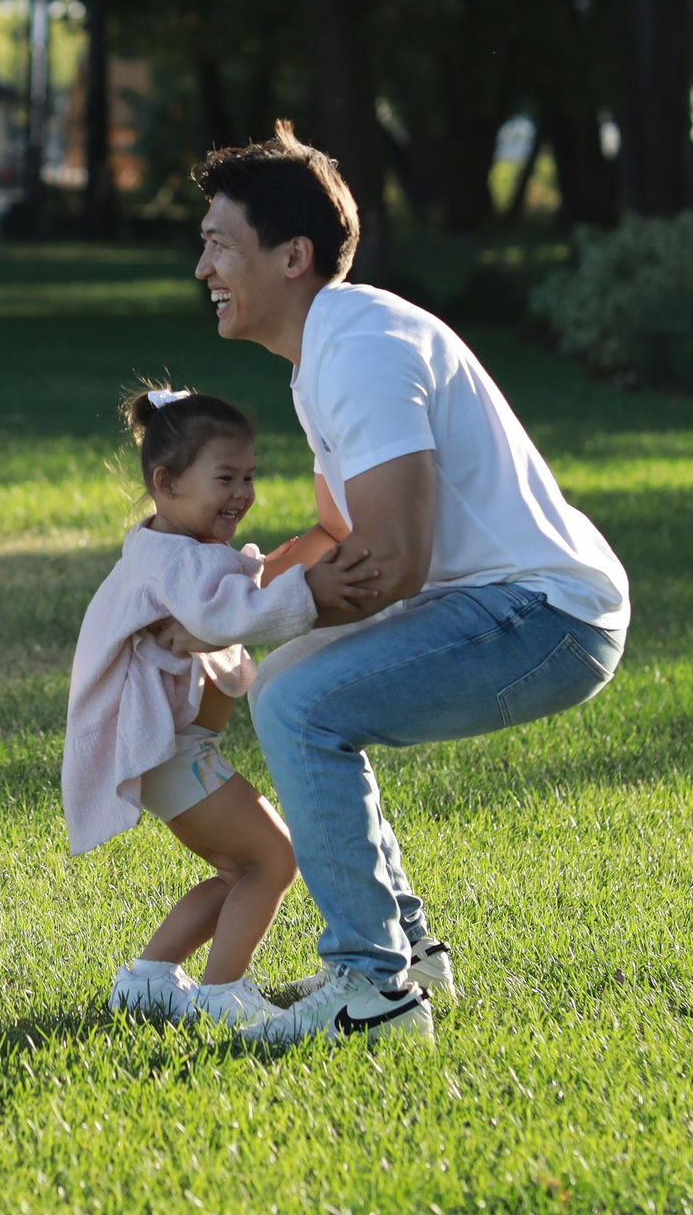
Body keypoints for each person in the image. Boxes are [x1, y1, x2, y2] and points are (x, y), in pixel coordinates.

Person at [188, 125, 630, 1048]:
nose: (204, 268)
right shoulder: (328, 349)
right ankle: (409, 953)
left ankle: (375, 988)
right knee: (286, 686)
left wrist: (252, 614)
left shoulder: (362, 348)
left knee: (301, 704)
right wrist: (218, 602)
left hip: (548, 615)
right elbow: (337, 535)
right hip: (513, 605)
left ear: (293, 255)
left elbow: (392, 561)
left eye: (220, 243)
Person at [65, 388, 354, 1029]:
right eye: (224, 478)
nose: (242, 493)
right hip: (174, 754)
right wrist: (315, 592)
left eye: (248, 476)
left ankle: (147, 981)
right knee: (274, 859)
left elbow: (247, 580)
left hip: (173, 754)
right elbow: (231, 612)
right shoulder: (178, 564)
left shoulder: (170, 548)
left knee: (236, 871)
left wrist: (315, 548)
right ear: (166, 483)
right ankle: (223, 995)